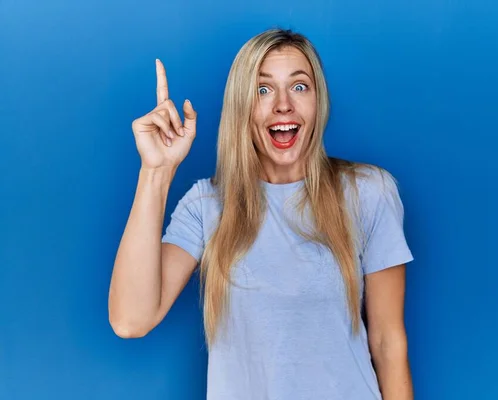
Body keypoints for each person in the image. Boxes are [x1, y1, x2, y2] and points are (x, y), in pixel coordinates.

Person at [108, 28, 415, 400]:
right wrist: (156, 172)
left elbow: (387, 342)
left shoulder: (368, 192)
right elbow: (130, 320)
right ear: (242, 107)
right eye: (263, 89)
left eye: (299, 87)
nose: (283, 104)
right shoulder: (206, 205)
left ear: (319, 101)